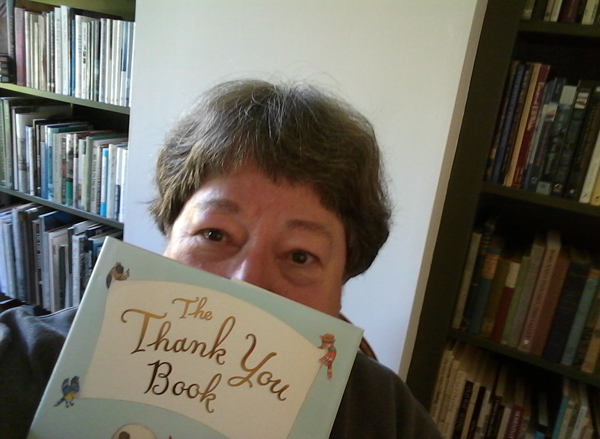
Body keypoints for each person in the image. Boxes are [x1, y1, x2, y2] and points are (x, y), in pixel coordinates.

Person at [0, 79, 442, 439]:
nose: (246, 281)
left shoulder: (387, 417)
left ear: (339, 289)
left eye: (300, 255)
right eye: (214, 234)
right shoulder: (25, 360)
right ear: (169, 233)